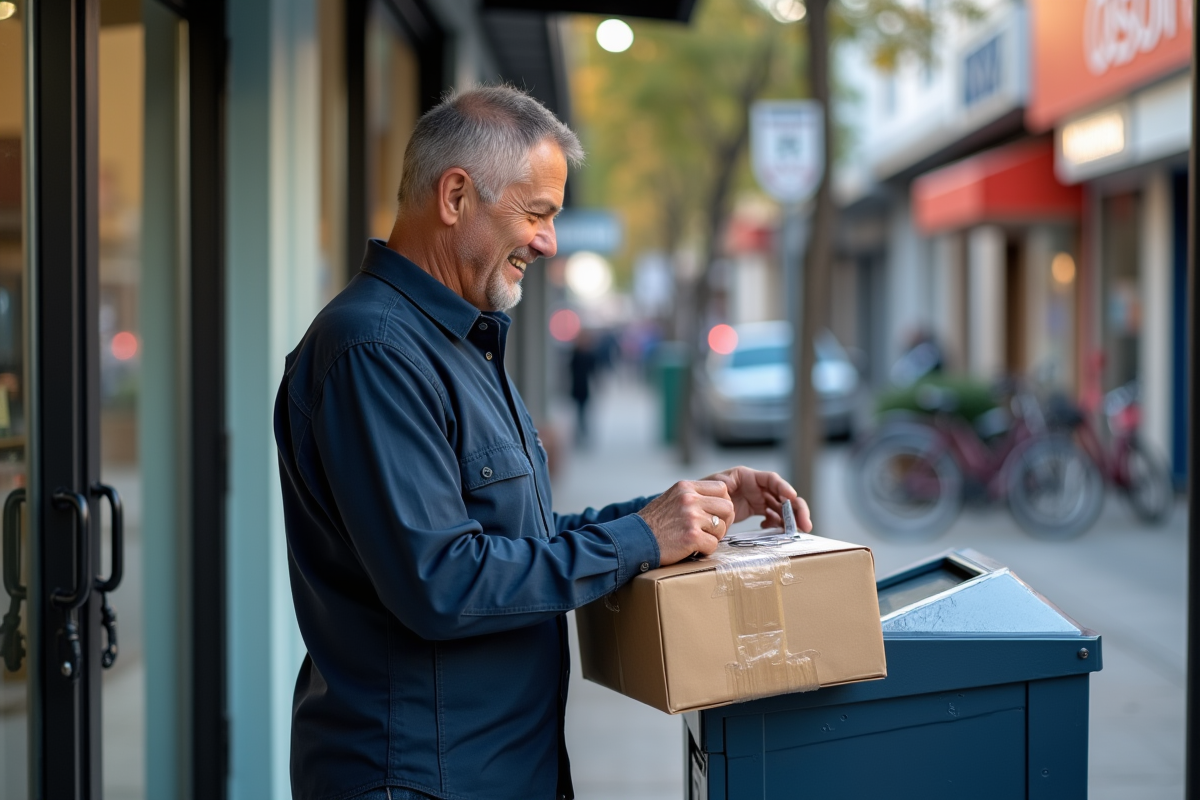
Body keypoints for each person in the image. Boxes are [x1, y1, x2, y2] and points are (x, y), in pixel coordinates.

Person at [274, 85, 812, 800]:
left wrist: (682, 511)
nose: (550, 242)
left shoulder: (458, 340)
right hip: (422, 778)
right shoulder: (374, 350)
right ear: (456, 196)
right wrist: (642, 539)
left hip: (491, 766)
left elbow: (517, 538)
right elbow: (444, 582)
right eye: (537, 214)